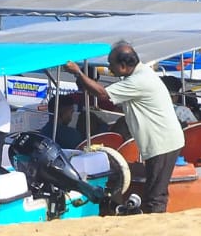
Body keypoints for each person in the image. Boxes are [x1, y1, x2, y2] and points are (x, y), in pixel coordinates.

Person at [63, 42, 184, 214]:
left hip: (162, 142)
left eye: (112, 65)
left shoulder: (137, 81)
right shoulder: (141, 72)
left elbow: (102, 94)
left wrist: (78, 72)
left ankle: (156, 228)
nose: (110, 69)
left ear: (123, 66)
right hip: (164, 140)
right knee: (155, 189)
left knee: (156, 194)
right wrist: (80, 78)